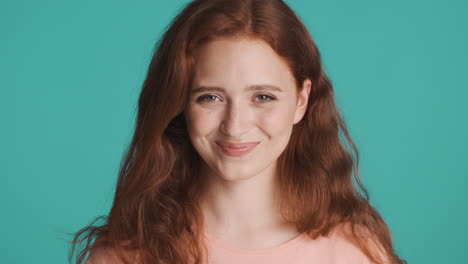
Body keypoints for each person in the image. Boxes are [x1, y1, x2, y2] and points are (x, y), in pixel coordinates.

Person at [69, 0, 406, 263]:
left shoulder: (353, 253)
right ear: (180, 103)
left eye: (263, 97)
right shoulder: (126, 255)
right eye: (210, 97)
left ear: (301, 100)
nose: (235, 125)